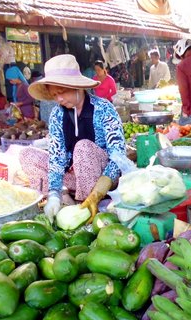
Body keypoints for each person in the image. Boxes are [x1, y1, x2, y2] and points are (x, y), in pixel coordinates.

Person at [28, 54, 126, 222]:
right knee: (28, 155)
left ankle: (86, 205)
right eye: (54, 95)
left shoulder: (103, 108)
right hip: (73, 174)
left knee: (82, 147)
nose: (58, 99)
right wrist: (54, 193)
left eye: (62, 92)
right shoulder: (57, 114)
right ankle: (64, 197)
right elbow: (57, 156)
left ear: (77, 87)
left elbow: (118, 155)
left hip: (102, 178)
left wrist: (98, 191)